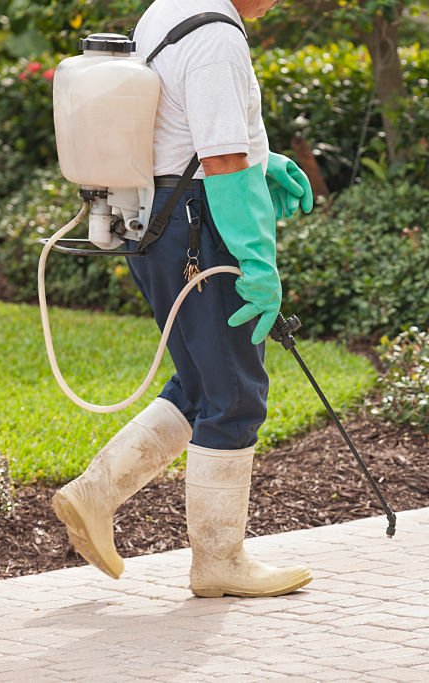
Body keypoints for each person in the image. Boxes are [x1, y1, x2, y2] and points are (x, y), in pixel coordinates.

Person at [50, 0, 315, 598]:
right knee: (235, 395)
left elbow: (172, 124)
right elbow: (220, 160)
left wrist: (261, 155)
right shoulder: (219, 36)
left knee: (201, 384)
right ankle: (219, 561)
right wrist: (256, 259)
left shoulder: (167, 9)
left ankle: (96, 494)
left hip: (154, 219)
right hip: (198, 225)